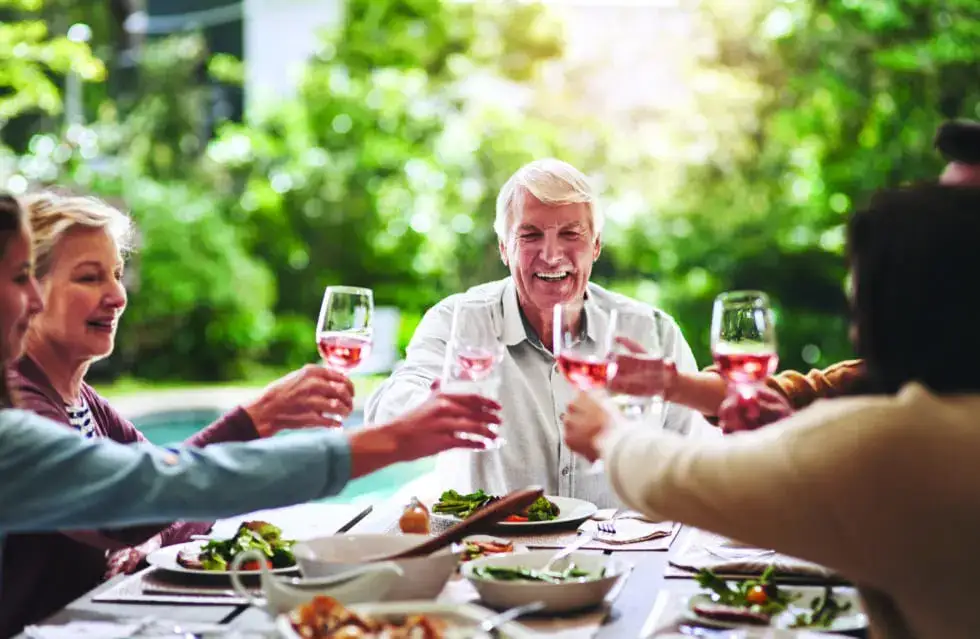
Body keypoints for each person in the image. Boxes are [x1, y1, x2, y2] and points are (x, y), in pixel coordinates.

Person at [0, 193, 500, 636]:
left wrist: (150, 524)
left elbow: (176, 497)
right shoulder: (23, 415)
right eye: (89, 277)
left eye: (115, 273)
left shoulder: (83, 403)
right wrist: (262, 421)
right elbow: (154, 494)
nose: (118, 295)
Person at [562, 183, 980, 638]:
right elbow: (813, 396)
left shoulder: (900, 441)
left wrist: (609, 433)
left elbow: (684, 477)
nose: (856, 330)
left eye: (859, 307)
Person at [365, 159, 710, 508]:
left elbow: (700, 460)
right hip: (491, 552)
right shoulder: (457, 320)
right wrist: (426, 408)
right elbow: (389, 403)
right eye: (530, 235)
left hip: (627, 555)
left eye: (570, 234)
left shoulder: (652, 331)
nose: (551, 255)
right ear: (504, 248)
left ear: (596, 246)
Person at [628, 118, 980, 432]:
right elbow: (804, 395)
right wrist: (668, 382)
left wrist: (612, 438)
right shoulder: (909, 368)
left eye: (962, 215)